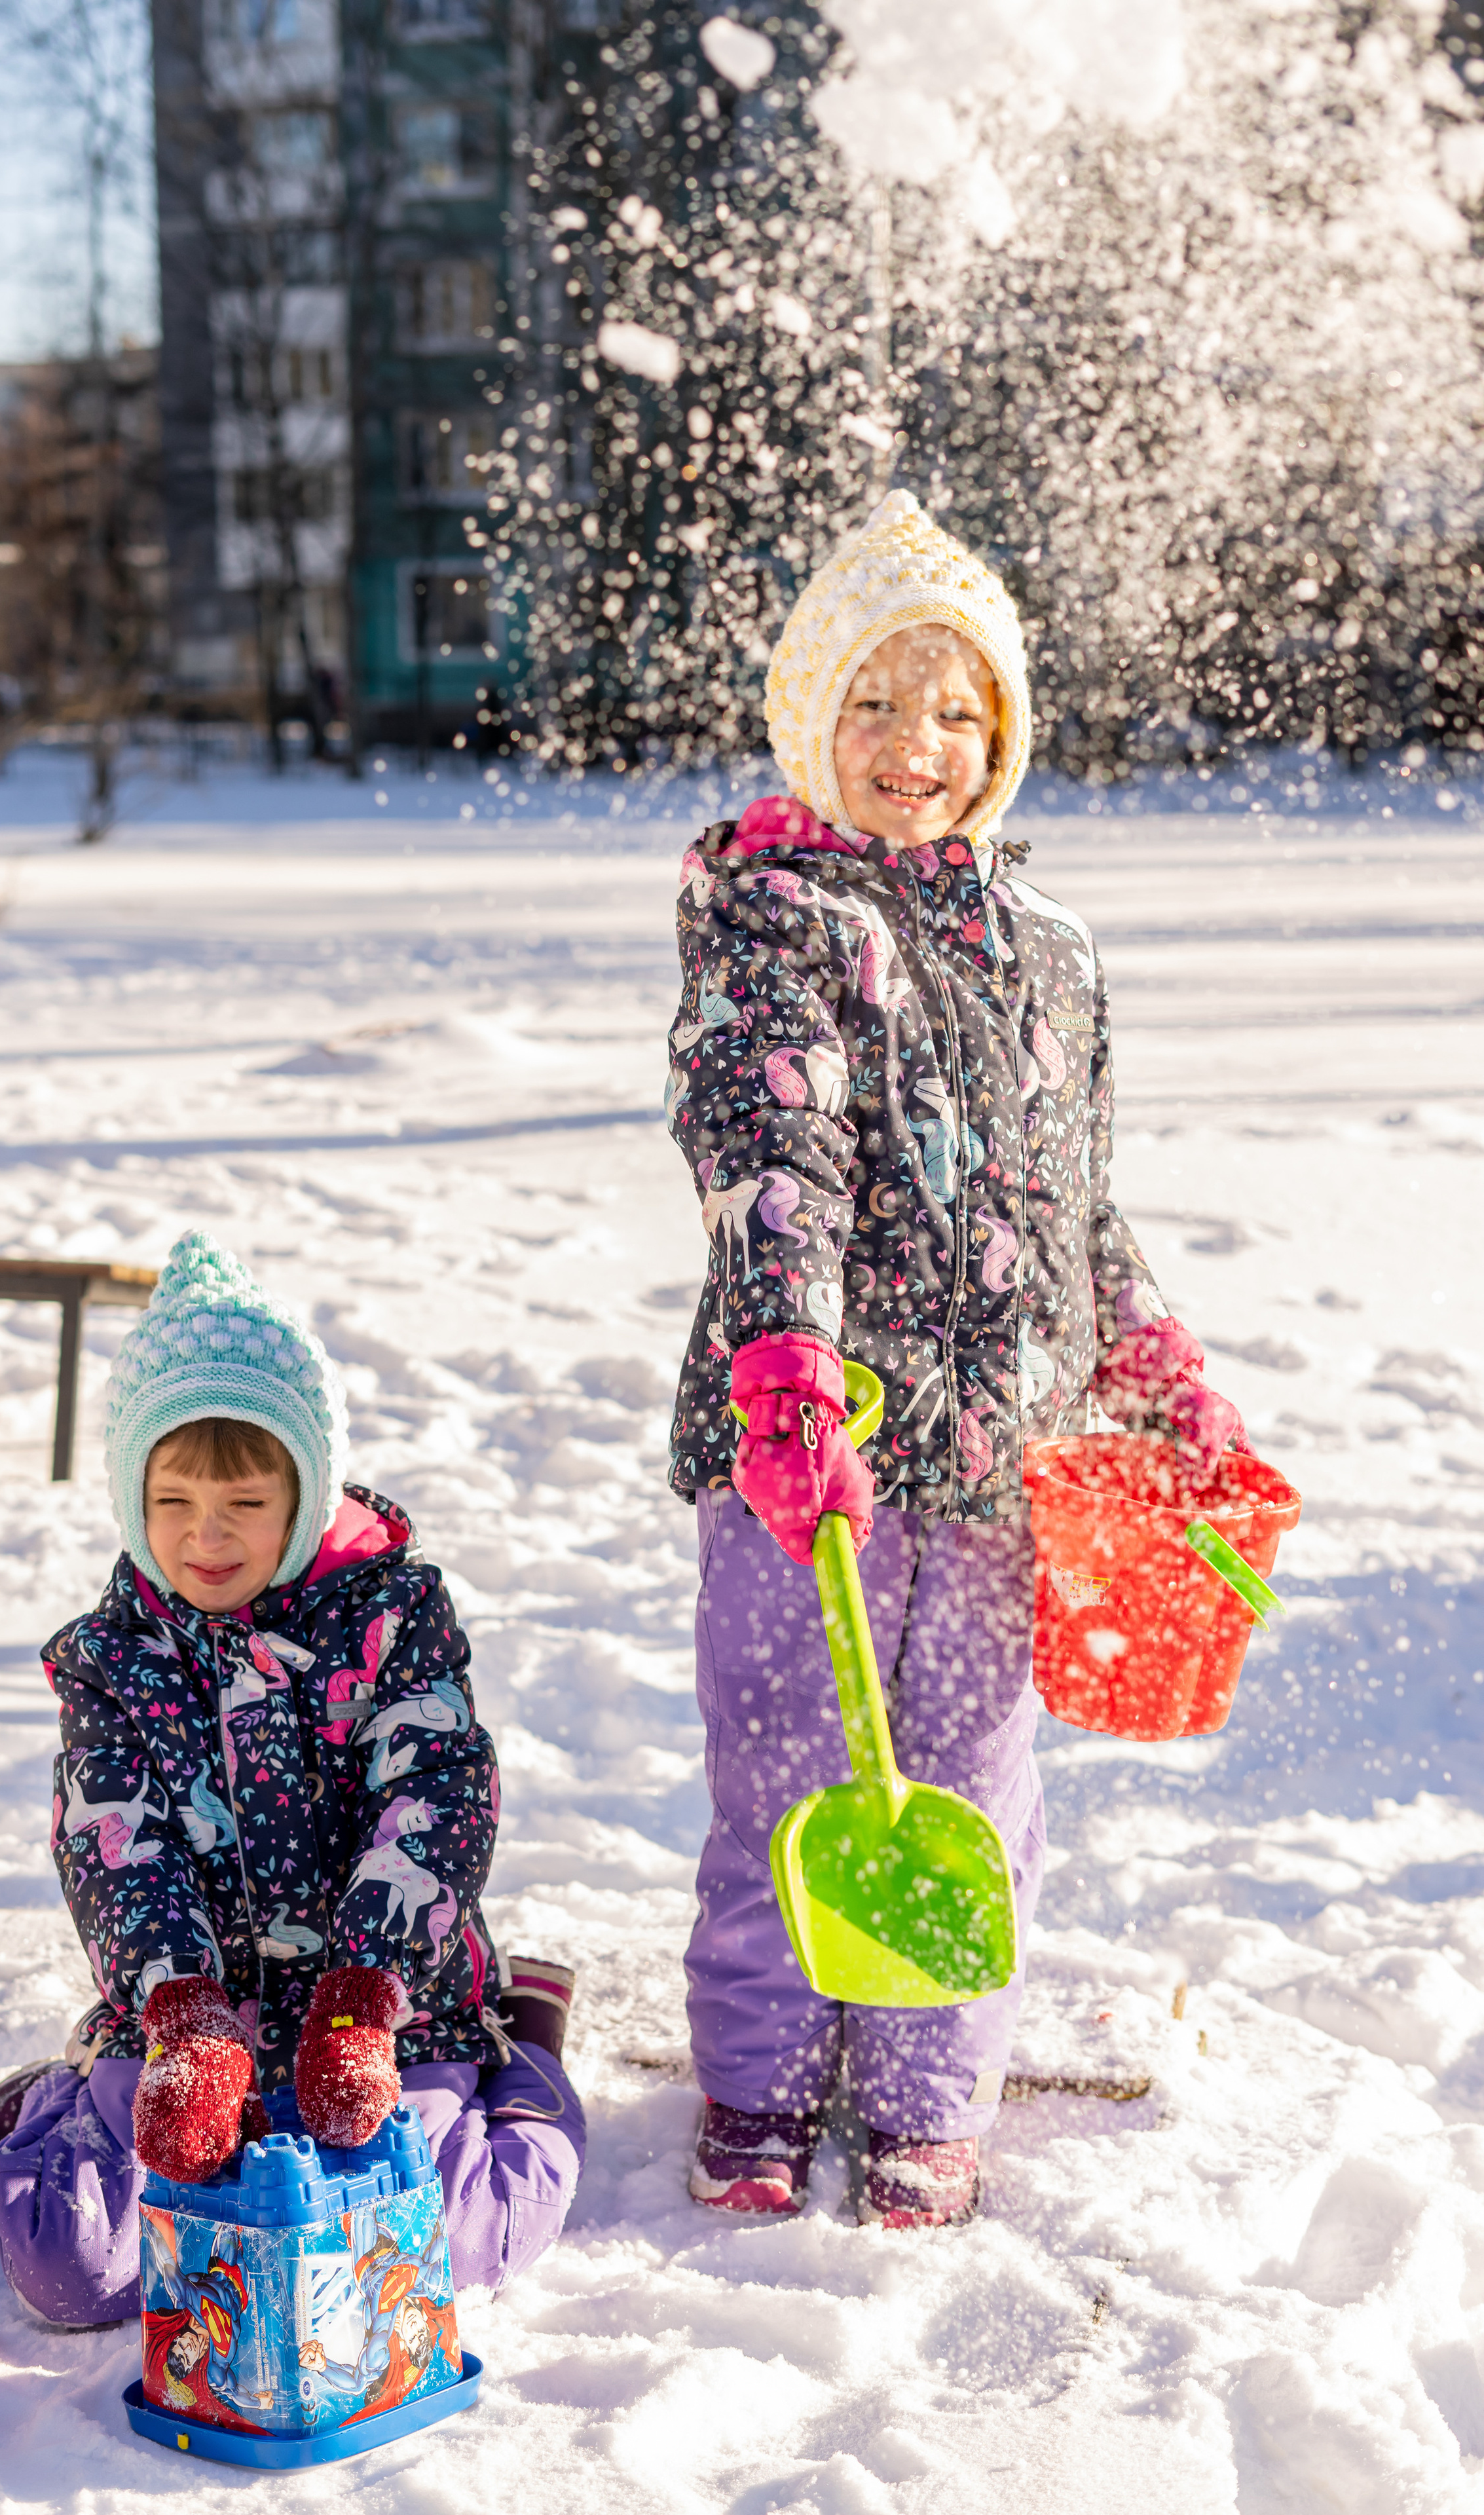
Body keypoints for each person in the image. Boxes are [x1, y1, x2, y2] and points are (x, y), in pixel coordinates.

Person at [666, 491, 1248, 2230]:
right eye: (874, 703)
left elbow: (1079, 1198)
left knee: (969, 1782)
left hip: (1006, 1457)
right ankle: (764, 2077)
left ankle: (926, 2087)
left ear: (1000, 740)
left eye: (955, 711)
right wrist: (782, 1366)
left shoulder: (1051, 950)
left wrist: (1151, 1359)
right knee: (787, 1771)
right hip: (806, 1447)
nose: (914, 744)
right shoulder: (776, 912)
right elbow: (776, 1151)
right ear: (809, 720)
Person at [0, 1230, 582, 2326]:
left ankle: (525, 2059)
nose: (206, 1539)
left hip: (386, 2015)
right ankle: (66, 2100)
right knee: (80, 2271)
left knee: (427, 2255)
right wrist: (183, 2009)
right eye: (173, 1503)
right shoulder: (115, 1659)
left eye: (245, 1504)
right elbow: (115, 1843)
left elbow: (435, 1790)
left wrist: (367, 1993)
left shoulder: (390, 1620)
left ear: (303, 1490)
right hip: (189, 2025)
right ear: (131, 1494)